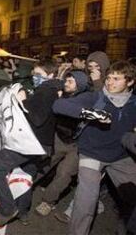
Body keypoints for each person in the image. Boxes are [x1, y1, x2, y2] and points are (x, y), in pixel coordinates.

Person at [52, 60, 136, 235]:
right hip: (92, 154)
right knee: (86, 201)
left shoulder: (134, 103)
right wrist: (93, 113)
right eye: (108, 78)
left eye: (116, 79)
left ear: (130, 82)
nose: (109, 82)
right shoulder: (96, 97)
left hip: (120, 156)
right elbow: (59, 105)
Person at [0, 58, 63, 226]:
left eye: (39, 74)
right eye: (34, 74)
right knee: (26, 176)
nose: (35, 77)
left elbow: (37, 118)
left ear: (51, 74)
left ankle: (7, 210)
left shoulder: (46, 91)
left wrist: (22, 100)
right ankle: (23, 212)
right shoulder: (50, 89)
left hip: (30, 143)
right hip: (41, 145)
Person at [35, 70, 89, 216]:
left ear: (80, 85)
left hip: (77, 145)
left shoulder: (87, 99)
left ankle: (48, 201)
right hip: (59, 138)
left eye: (70, 82)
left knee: (64, 173)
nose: (66, 83)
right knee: (45, 164)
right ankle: (23, 186)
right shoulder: (60, 94)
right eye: (66, 80)